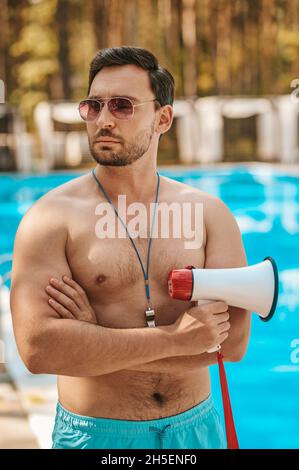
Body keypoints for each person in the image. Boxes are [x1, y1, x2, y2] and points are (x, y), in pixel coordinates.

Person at [10, 46, 251, 449]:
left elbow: (233, 343)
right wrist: (177, 338)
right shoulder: (50, 219)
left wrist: (93, 339)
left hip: (196, 431)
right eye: (93, 106)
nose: (103, 120)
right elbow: (39, 350)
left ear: (163, 118)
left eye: (122, 106)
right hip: (97, 438)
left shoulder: (209, 215)